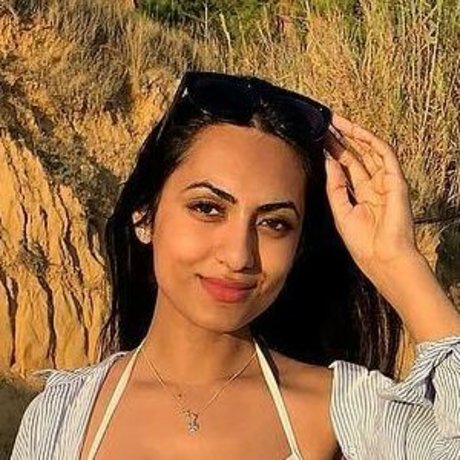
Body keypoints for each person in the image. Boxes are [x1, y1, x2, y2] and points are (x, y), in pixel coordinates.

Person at [10, 70, 460, 459]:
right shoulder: (63, 414)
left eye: (274, 223)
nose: (239, 255)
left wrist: (397, 261)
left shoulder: (345, 413)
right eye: (207, 208)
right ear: (145, 215)